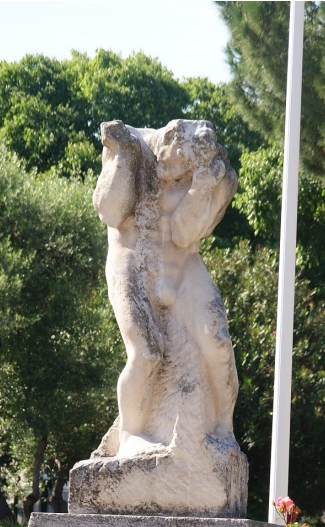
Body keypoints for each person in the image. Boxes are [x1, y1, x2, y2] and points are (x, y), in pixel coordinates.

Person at [92, 118, 239, 460]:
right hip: (132, 258)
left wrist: (202, 185)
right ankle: (131, 434)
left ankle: (222, 431)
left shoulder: (218, 173)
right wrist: (126, 157)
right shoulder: (131, 144)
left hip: (182, 266)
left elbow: (183, 234)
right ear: (170, 138)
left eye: (186, 171)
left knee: (217, 342)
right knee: (146, 351)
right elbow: (110, 212)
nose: (175, 175)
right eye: (176, 165)